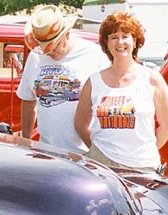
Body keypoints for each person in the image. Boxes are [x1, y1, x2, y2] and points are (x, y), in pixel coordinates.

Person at [74, 11, 168, 172]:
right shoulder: (94, 81)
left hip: (143, 166)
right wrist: (98, 150)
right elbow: (80, 123)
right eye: (113, 37)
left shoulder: (152, 79)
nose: (120, 42)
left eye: (125, 36)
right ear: (106, 43)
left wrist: (146, 149)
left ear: (135, 41)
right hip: (102, 164)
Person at [16, 5, 109, 154]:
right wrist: (27, 140)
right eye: (45, 48)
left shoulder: (93, 54)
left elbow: (108, 100)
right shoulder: (35, 57)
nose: (51, 52)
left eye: (55, 46)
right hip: (45, 152)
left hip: (84, 154)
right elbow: (28, 100)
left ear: (67, 34)